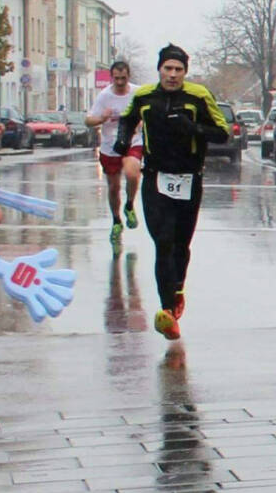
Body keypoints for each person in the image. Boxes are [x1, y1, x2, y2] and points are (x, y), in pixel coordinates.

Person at [113, 44, 227, 341]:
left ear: (185, 73)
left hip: (189, 178)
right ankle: (167, 312)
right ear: (159, 70)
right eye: (168, 69)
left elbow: (223, 132)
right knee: (162, 241)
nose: (173, 75)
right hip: (155, 177)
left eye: (178, 70)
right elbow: (127, 118)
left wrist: (193, 129)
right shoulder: (145, 96)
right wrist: (122, 142)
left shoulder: (198, 96)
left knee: (180, 244)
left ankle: (177, 289)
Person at [87, 60, 143, 246]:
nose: (120, 82)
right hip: (110, 145)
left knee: (132, 172)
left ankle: (129, 205)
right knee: (113, 187)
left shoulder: (137, 93)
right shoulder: (105, 96)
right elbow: (88, 121)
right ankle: (117, 220)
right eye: (117, 78)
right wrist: (102, 118)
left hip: (133, 141)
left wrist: (143, 121)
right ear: (112, 77)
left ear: (129, 76)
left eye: (123, 78)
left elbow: (148, 112)